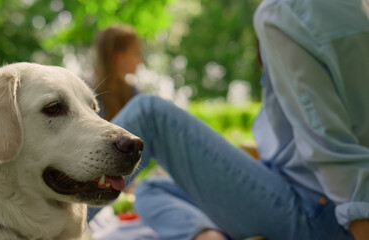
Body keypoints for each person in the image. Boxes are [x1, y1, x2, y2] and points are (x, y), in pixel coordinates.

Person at [89, 0, 369, 239]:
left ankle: (53, 218)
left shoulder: (286, 11)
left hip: (317, 212)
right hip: (309, 194)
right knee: (153, 188)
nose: (139, 61)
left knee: (149, 112)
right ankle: (205, 234)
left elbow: (329, 144)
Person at [93, 24, 143, 121]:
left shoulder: (132, 92)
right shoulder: (94, 98)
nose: (140, 60)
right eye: (136, 53)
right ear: (119, 57)